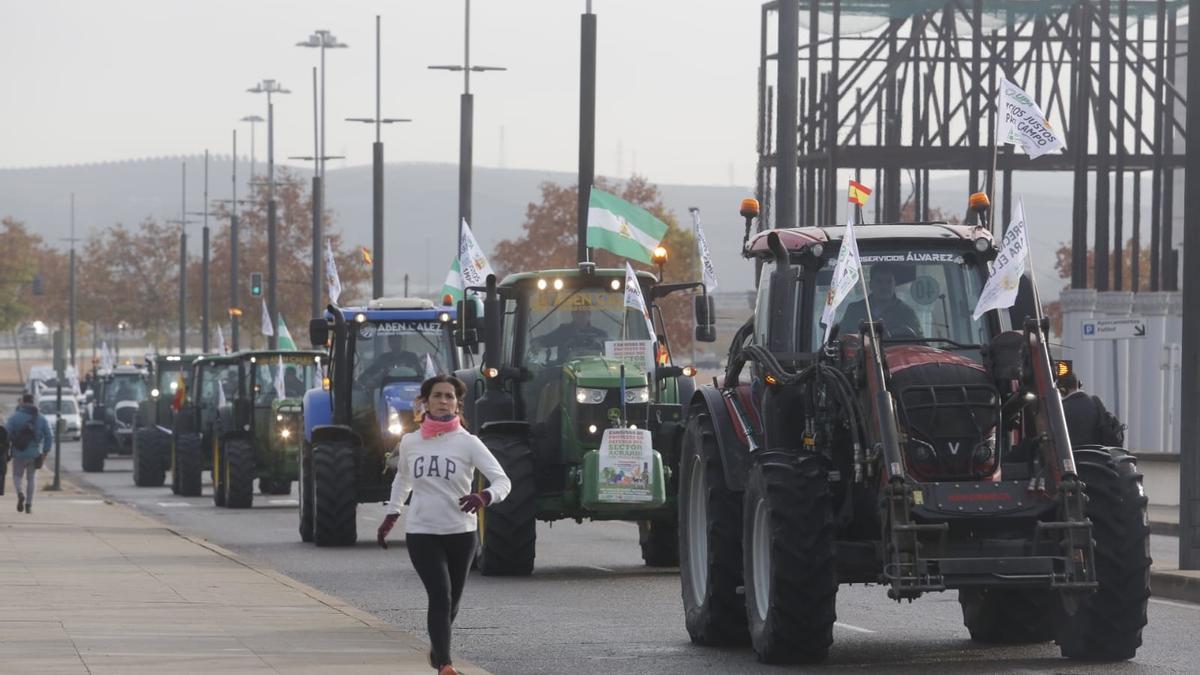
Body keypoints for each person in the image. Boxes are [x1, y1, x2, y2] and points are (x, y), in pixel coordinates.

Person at [376, 375, 511, 675]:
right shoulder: (410, 442)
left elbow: (503, 481)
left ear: (457, 403)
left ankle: (438, 650)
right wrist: (392, 514)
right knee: (440, 594)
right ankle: (445, 665)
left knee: (452, 602)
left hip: (461, 534)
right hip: (422, 532)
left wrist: (484, 496)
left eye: (449, 397)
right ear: (425, 401)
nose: (443, 401)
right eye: (437, 396)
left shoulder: (469, 443)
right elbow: (403, 479)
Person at [839, 262, 923, 338]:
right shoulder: (854, 310)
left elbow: (920, 345)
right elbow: (841, 339)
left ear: (895, 285)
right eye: (879, 281)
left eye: (889, 281)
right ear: (870, 285)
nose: (884, 286)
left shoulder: (906, 313)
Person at [4, 393, 53, 514]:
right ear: (33, 402)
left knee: (17, 476)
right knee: (31, 479)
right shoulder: (41, 418)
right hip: (34, 453)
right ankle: (29, 505)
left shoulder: (14, 417)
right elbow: (49, 435)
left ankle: (20, 493)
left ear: (22, 402)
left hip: (18, 452)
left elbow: (5, 433)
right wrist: (45, 451)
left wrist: (6, 448)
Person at [1058, 371, 1125, 447]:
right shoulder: (1096, 402)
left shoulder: (1060, 409)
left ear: (1062, 389)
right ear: (1079, 384)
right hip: (1096, 456)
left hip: (1072, 456)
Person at [533, 307, 607, 357]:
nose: (579, 315)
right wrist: (536, 342)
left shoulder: (601, 335)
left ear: (589, 314)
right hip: (562, 374)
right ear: (572, 314)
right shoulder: (563, 331)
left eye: (583, 312)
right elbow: (546, 341)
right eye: (576, 312)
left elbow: (610, 353)